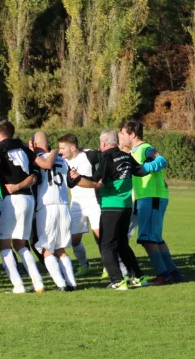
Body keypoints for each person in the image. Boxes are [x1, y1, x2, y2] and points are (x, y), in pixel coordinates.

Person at [72, 129, 156, 290]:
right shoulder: (126, 156)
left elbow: (97, 180)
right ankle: (138, 277)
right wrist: (155, 161)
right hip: (126, 206)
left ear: (103, 143)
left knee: (106, 244)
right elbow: (141, 171)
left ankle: (117, 280)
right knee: (122, 243)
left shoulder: (107, 157)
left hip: (111, 205)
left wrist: (78, 177)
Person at [0, 121, 56, 293]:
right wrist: (54, 151)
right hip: (28, 199)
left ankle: (18, 285)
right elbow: (43, 167)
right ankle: (38, 283)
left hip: (11, 200)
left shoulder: (1, 151)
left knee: (4, 244)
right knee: (21, 244)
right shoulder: (25, 150)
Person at [119, 120, 183, 285]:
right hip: (147, 197)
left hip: (151, 197)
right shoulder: (134, 151)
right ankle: (174, 273)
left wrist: (145, 169)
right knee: (155, 238)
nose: (121, 137)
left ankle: (163, 274)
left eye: (123, 133)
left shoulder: (145, 148)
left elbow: (161, 160)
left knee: (147, 239)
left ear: (132, 134)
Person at [31, 131, 79, 291]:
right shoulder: (62, 160)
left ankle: (61, 284)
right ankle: (72, 282)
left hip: (47, 206)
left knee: (46, 248)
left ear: (35, 144)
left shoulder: (37, 160)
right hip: (64, 205)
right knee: (60, 249)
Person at [57, 134, 102, 276]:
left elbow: (108, 155)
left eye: (62, 148)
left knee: (100, 236)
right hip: (76, 204)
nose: (60, 151)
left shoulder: (90, 155)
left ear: (72, 147)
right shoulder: (62, 161)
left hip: (94, 202)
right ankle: (84, 265)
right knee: (74, 240)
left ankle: (108, 266)